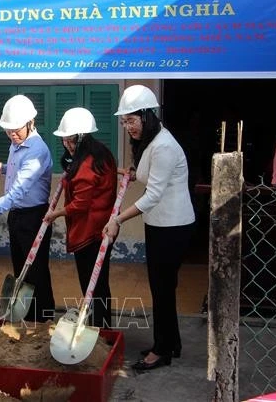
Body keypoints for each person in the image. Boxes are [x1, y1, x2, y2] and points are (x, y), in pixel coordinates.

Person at [102, 85, 195, 372]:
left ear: (148, 115)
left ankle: (161, 351)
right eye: (124, 121)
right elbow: (147, 176)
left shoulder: (164, 145)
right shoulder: (152, 141)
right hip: (159, 224)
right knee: (162, 288)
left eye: (131, 120)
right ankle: (171, 343)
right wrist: (129, 173)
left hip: (173, 226)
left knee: (162, 288)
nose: (127, 126)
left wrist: (117, 219)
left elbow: (153, 195)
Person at [0, 94, 55, 323]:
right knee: (21, 269)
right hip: (17, 215)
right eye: (8, 131)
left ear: (30, 123)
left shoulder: (37, 151)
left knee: (35, 272)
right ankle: (26, 316)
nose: (12, 135)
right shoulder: (17, 146)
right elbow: (17, 173)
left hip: (34, 217)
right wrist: (2, 167)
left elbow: (18, 191)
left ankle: (43, 319)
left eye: (16, 130)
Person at [43, 107, 118, 328]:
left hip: (91, 230)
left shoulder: (86, 165)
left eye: (71, 142)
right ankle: (100, 325)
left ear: (83, 138)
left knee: (92, 283)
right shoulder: (102, 153)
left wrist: (54, 214)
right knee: (99, 282)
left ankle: (99, 328)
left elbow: (80, 205)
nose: (67, 145)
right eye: (65, 141)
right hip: (101, 226)